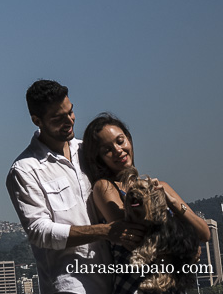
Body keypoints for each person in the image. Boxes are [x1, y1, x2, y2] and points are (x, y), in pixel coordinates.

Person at [7, 80, 142, 294]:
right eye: (58, 118)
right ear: (36, 120)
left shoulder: (89, 150)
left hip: (117, 282)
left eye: (70, 112)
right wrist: (105, 231)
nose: (69, 121)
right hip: (70, 285)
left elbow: (127, 187)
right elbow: (39, 231)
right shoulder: (25, 170)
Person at [80, 113, 211, 294]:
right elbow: (134, 239)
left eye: (120, 141)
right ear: (99, 158)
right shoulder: (105, 187)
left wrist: (171, 202)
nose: (118, 150)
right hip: (136, 285)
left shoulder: (161, 187)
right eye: (107, 150)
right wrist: (185, 249)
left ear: (129, 139)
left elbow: (204, 233)